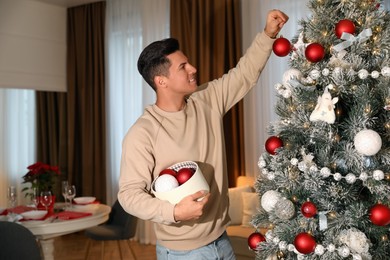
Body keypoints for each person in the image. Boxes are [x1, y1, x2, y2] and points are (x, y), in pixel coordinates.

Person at [118, 9, 288, 259]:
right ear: (161, 81)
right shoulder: (142, 133)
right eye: (183, 66)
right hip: (181, 252)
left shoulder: (206, 101)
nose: (193, 68)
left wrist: (268, 35)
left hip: (222, 240)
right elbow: (129, 195)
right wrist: (174, 212)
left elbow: (244, 75)